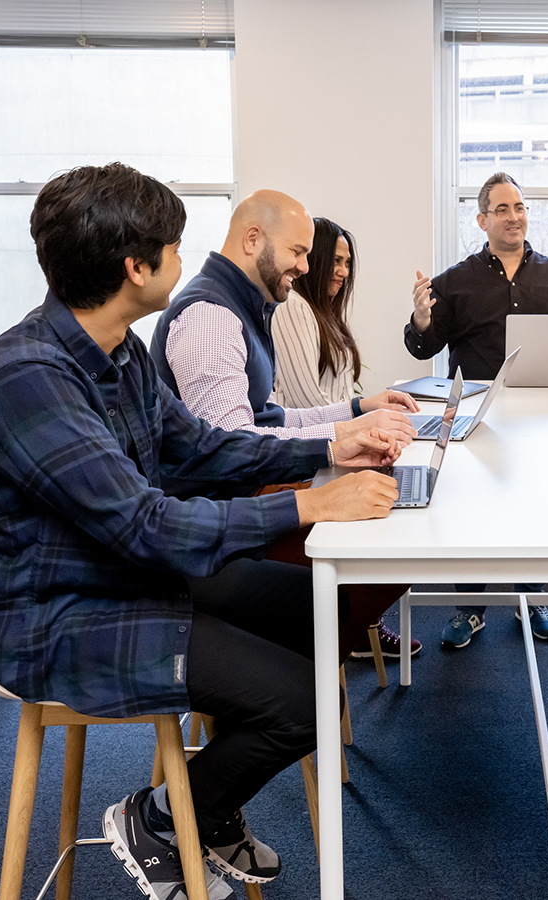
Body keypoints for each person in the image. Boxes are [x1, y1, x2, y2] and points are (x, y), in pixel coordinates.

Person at [0, 162, 405, 900]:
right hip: (54, 615)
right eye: (172, 248)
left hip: (119, 571)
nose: (184, 261)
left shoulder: (120, 352)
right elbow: (145, 523)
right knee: (304, 702)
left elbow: (199, 446)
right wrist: (311, 506)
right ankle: (163, 816)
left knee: (320, 614)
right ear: (136, 267)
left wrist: (330, 447)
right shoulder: (26, 378)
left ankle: (210, 802)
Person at [151, 191, 417, 661]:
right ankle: (298, 667)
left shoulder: (243, 308)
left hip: (246, 494)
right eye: (298, 252)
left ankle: (304, 665)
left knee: (391, 518)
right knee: (391, 549)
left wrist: (352, 416)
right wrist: (337, 445)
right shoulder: (211, 317)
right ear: (253, 240)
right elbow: (233, 449)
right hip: (224, 520)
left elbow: (270, 420)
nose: (305, 266)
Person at [405, 171, 548, 648]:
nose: (515, 217)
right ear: (482, 219)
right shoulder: (454, 282)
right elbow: (421, 347)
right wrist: (422, 320)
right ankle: (469, 607)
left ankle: (532, 598)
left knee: (536, 506)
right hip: (478, 417)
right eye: (503, 209)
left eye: (520, 208)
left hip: (543, 416)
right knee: (470, 509)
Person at [273, 216, 423, 659]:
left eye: (347, 263)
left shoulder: (323, 314)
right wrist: (362, 424)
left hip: (329, 451)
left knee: (405, 514)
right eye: (334, 261)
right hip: (310, 460)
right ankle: (346, 634)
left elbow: (334, 398)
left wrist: (366, 409)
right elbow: (304, 401)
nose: (342, 271)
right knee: (399, 534)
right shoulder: (293, 309)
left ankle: (357, 626)